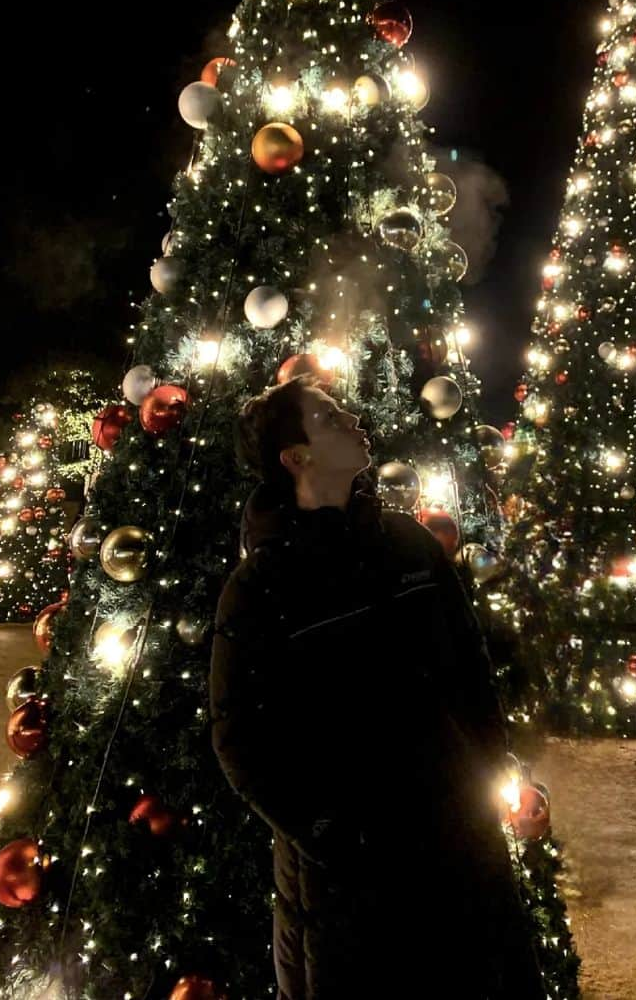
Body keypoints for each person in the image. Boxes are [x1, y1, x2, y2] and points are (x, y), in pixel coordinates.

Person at [209, 379, 544, 1000]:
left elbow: (469, 673)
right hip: (348, 884)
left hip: (457, 841)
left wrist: (493, 770)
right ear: (296, 456)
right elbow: (240, 738)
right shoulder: (261, 586)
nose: (354, 421)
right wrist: (331, 833)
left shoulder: (410, 545)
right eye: (330, 418)